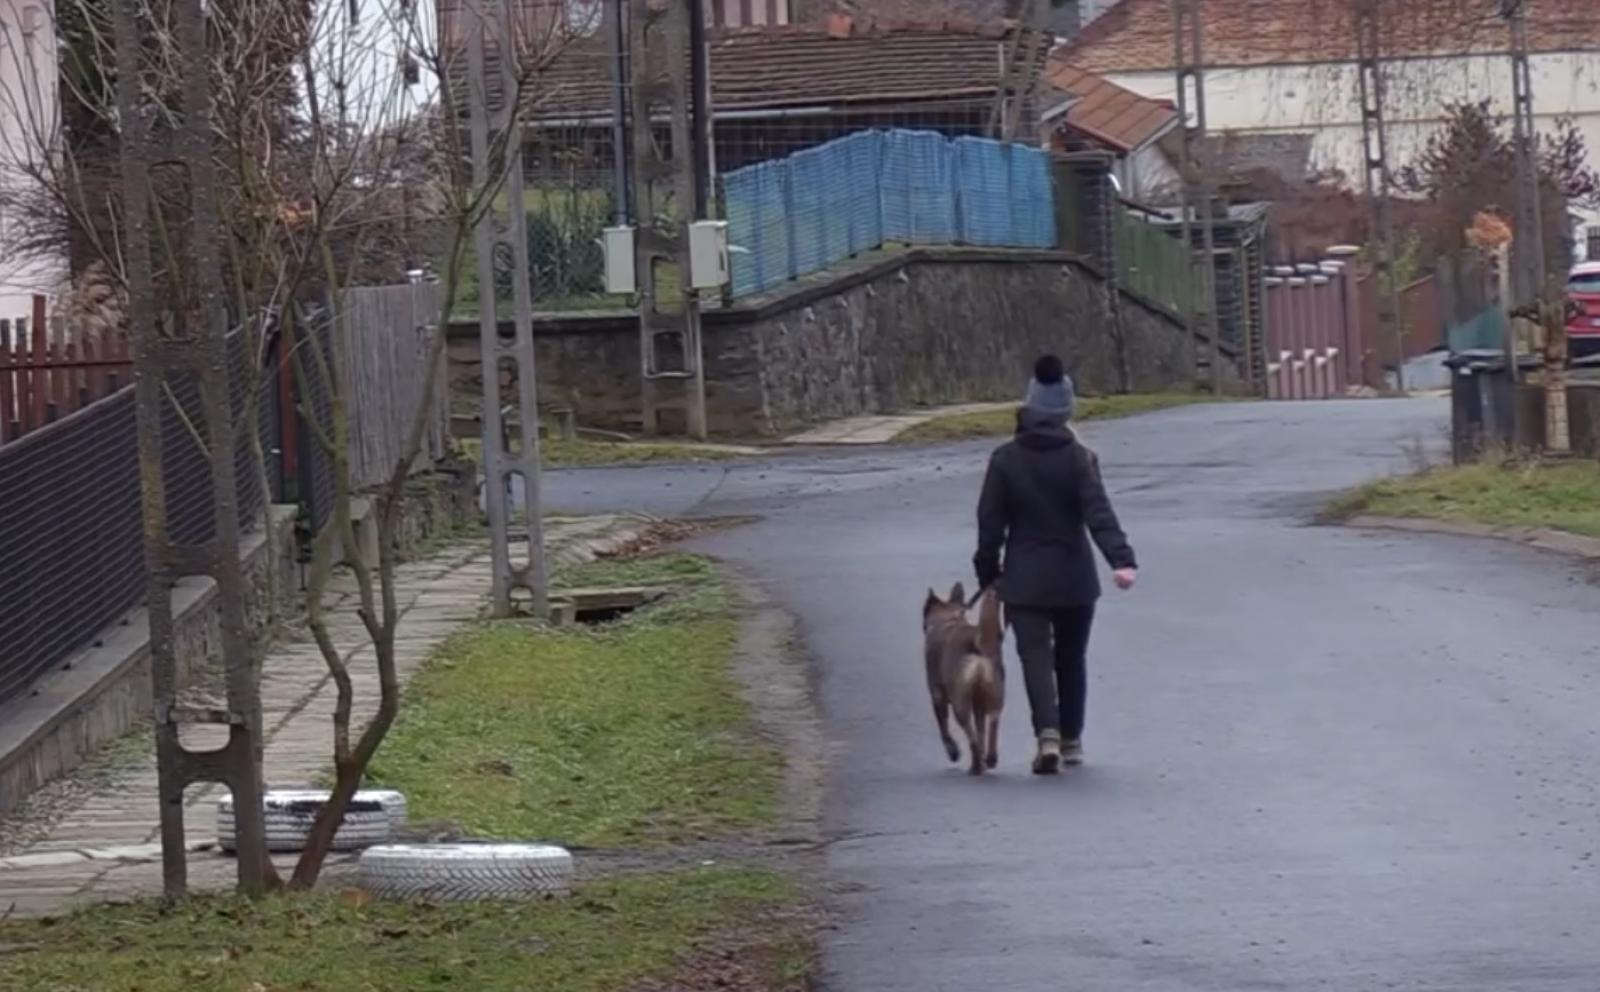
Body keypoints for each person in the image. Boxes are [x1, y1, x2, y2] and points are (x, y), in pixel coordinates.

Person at [973, 355, 1137, 774]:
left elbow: (990, 524)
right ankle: (1072, 739)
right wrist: (1122, 559)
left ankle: (1046, 733)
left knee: (1034, 657)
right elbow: (1099, 512)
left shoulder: (1005, 460)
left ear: (1029, 407)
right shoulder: (1080, 458)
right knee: (1070, 657)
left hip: (1025, 580)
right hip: (1074, 578)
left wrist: (987, 572)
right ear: (1066, 410)